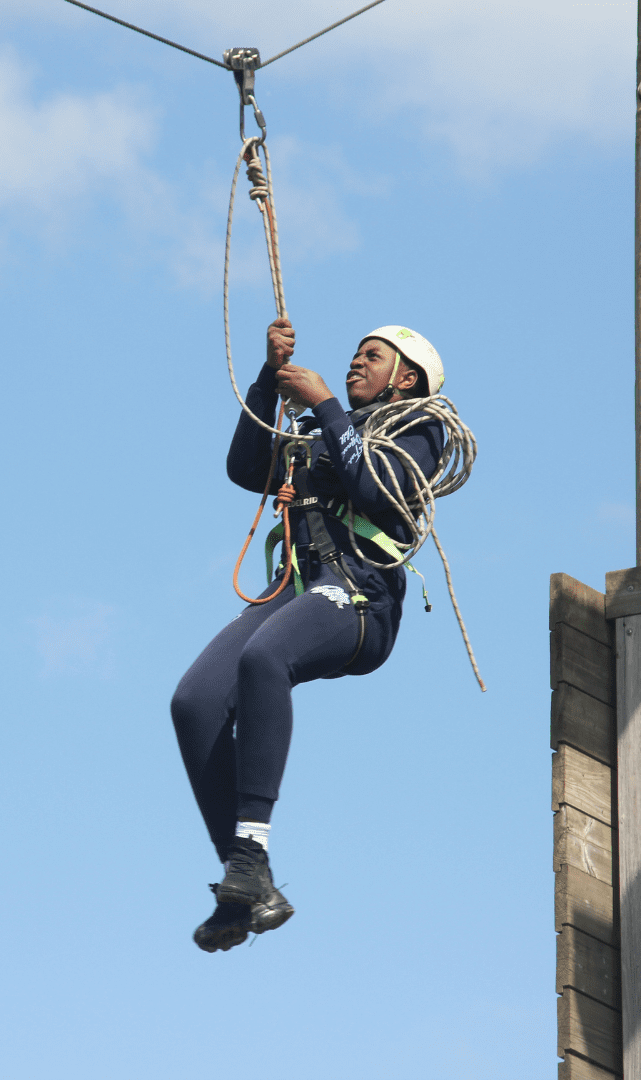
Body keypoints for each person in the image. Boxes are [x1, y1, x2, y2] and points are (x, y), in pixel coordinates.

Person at [171, 317, 447, 953]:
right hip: (294, 587)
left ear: (404, 379)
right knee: (195, 703)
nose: (356, 363)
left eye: (371, 357)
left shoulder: (416, 430)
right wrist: (271, 380)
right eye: (354, 355)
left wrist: (324, 402)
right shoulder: (320, 436)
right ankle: (247, 878)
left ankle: (252, 847)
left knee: (266, 659)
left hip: (357, 595)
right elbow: (247, 467)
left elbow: (379, 489)